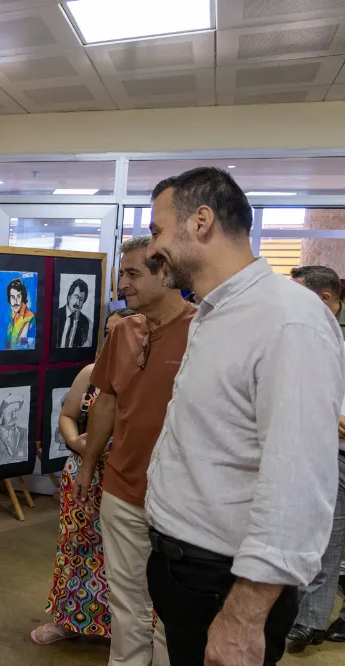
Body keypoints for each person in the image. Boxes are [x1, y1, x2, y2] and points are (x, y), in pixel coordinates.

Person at [142, 167, 345, 665]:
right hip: (186, 573)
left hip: (227, 586)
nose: (152, 249)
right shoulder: (216, 312)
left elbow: (298, 481)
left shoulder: (288, 319)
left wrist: (245, 615)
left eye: (158, 231)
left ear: (201, 221)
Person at [75, 235, 195, 666]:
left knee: (173, 612)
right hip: (122, 489)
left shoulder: (203, 331)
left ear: (166, 274)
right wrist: (89, 464)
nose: (122, 284)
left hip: (183, 499)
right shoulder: (124, 331)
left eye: (132, 274)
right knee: (126, 603)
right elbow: (106, 402)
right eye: (121, 274)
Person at [31, 307, 136, 646]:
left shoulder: (148, 377)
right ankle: (70, 620)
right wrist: (78, 444)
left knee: (128, 554)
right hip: (83, 475)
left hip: (130, 476)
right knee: (77, 548)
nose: (112, 339)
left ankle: (127, 630)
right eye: (108, 332)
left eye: (120, 332)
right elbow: (67, 415)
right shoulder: (91, 373)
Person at [285, 265, 345, 652]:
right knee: (324, 540)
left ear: (324, 299)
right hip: (327, 453)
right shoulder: (300, 336)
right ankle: (310, 620)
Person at [0, 394, 28, 465]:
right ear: (2, 414)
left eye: (16, 411)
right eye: (10, 412)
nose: (14, 415)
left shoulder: (24, 433)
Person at [57, 278, 92, 348]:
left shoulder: (85, 322)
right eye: (76, 297)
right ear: (69, 296)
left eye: (81, 300)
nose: (78, 303)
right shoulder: (57, 314)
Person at [6, 277, 37, 350]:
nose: (15, 301)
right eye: (12, 297)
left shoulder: (30, 318)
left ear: (23, 298)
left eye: (18, 296)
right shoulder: (12, 316)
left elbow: (26, 348)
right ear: (9, 299)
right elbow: (7, 344)